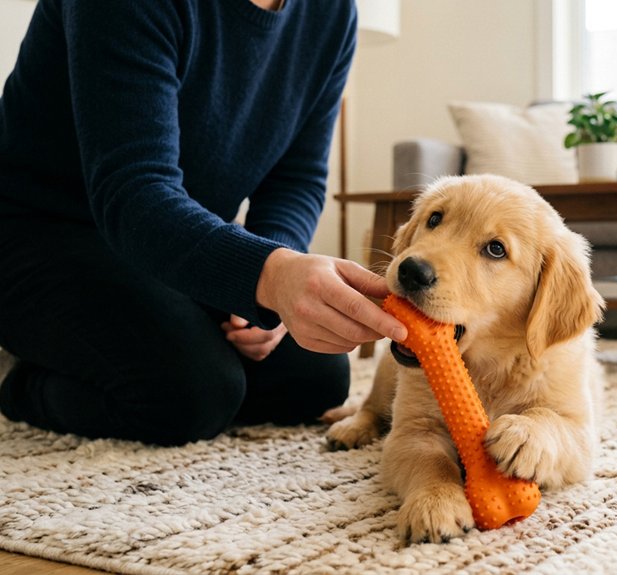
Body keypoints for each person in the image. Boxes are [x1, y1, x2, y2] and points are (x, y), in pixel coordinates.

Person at [0, 0, 407, 446]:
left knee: (316, 379)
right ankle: (19, 389)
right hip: (38, 233)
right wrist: (266, 276)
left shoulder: (331, 14)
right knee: (193, 393)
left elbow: (298, 176)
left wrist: (269, 272)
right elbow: (135, 191)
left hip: (166, 240)